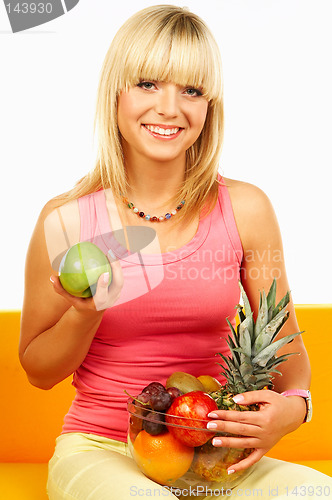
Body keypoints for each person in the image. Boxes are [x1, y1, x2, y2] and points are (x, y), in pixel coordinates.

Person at [19, 5, 331, 499]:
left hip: (216, 453)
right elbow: (37, 371)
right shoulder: (69, 220)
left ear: (210, 105)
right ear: (115, 94)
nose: (169, 107)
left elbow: (289, 355)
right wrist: (84, 314)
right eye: (147, 83)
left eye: (191, 90)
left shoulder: (246, 209)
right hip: (101, 449)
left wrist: (292, 411)